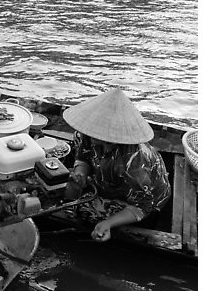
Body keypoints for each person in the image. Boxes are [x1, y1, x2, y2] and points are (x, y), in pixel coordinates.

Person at [63, 88, 171, 242]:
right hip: (109, 181)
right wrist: (81, 173)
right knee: (66, 187)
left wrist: (108, 223)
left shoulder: (132, 166)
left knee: (83, 211)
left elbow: (143, 206)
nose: (87, 134)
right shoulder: (89, 135)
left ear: (110, 140)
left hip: (144, 199)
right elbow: (83, 157)